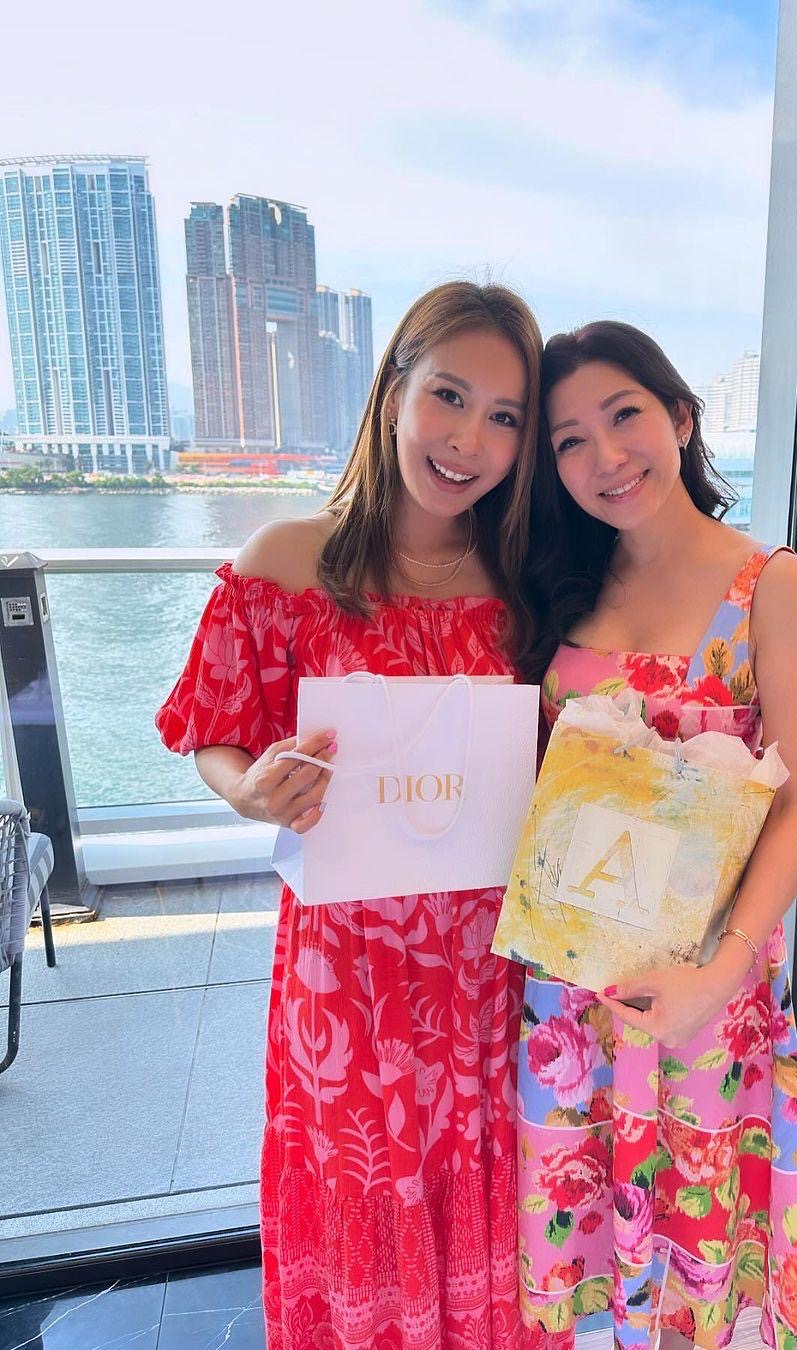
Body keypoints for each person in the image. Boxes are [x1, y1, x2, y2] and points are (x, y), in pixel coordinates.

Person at [156, 282, 543, 1350]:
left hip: (488, 976)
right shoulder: (285, 562)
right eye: (449, 396)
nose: (468, 439)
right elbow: (212, 728)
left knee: (487, 1211)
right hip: (347, 978)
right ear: (392, 392)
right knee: (357, 1195)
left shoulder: (528, 584)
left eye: (505, 416)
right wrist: (248, 788)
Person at [516, 321, 797, 1349]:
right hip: (569, 992)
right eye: (569, 440)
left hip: (707, 987)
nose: (605, 457)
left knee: (694, 1265)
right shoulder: (558, 586)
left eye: (625, 416)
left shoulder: (771, 585)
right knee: (581, 1260)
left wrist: (720, 974)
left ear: (681, 418)